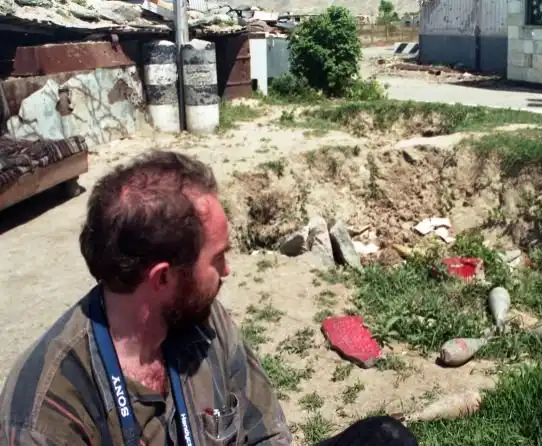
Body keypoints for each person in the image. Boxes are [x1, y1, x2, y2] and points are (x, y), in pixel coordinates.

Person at [0, 151, 417, 446]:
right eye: (217, 258)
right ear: (163, 278)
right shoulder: (46, 411)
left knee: (386, 438)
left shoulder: (203, 321)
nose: (227, 271)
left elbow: (265, 434)